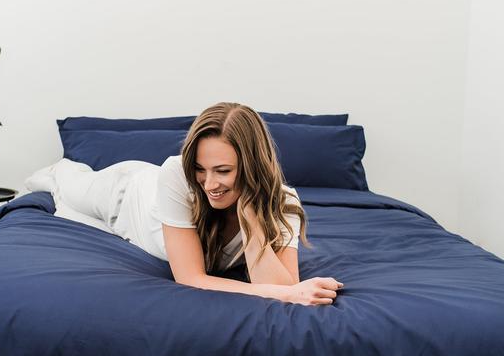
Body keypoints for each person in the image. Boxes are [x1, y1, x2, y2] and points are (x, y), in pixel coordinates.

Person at [35, 102, 343, 305]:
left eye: (223, 171)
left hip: (145, 201)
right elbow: (191, 278)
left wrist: (251, 218)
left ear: (252, 167)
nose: (208, 184)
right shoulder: (176, 174)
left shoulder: (284, 202)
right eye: (200, 168)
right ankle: (56, 169)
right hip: (125, 194)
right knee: (63, 180)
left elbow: (283, 285)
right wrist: (288, 294)